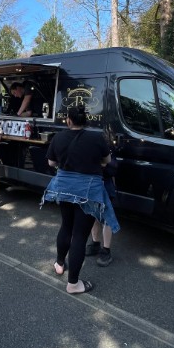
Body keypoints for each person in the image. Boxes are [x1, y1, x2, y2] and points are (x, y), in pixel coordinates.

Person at [41, 104, 119, 295]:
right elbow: (107, 162)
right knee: (79, 236)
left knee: (66, 226)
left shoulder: (58, 137)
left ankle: (59, 264)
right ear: (85, 120)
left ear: (68, 120)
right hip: (88, 192)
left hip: (65, 189)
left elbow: (51, 162)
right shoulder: (95, 138)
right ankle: (73, 284)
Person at [84, 159, 118, 267]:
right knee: (93, 214)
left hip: (105, 184)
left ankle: (106, 250)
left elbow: (112, 167)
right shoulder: (88, 143)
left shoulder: (106, 145)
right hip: (92, 184)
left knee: (107, 218)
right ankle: (95, 243)